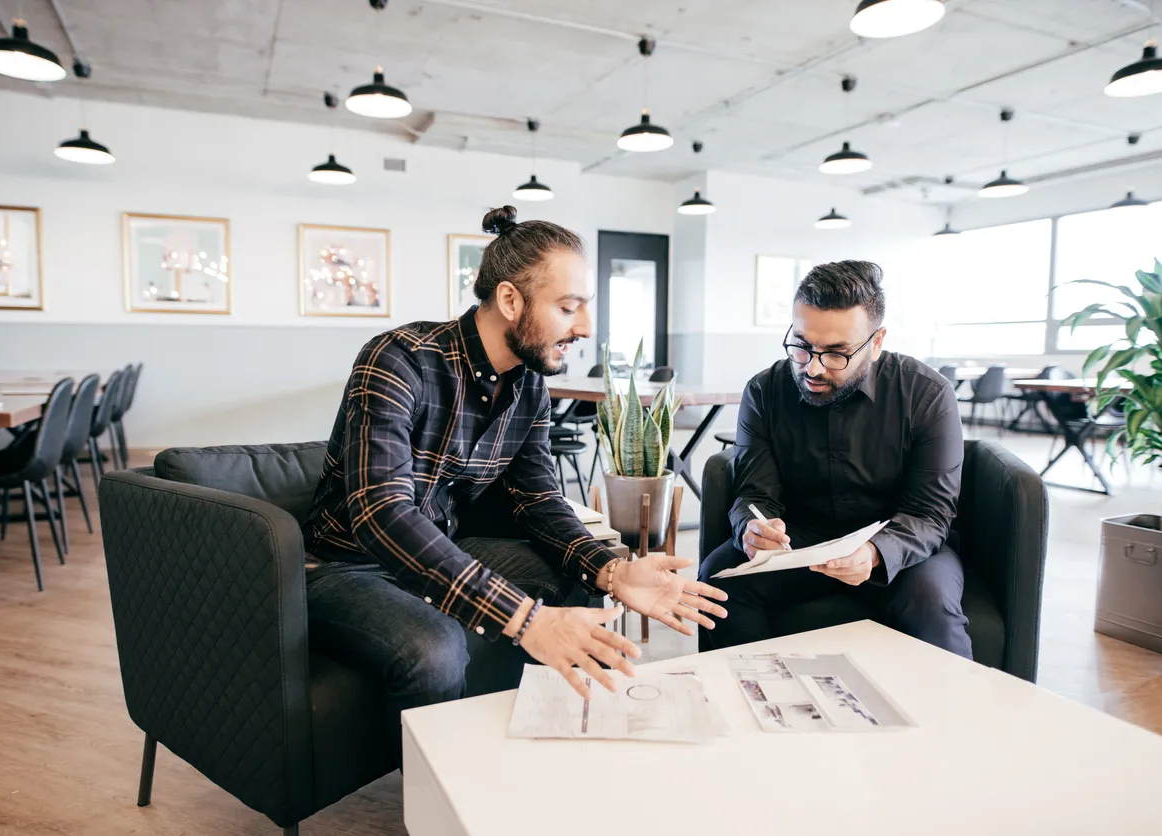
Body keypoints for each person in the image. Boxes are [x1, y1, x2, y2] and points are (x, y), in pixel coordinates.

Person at [302, 205, 728, 757]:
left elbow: (538, 498)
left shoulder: (528, 385)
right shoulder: (398, 360)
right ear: (510, 300)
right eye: (568, 307)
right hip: (344, 566)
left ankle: (541, 744)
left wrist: (612, 568)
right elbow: (382, 513)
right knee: (435, 651)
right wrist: (525, 620)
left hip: (443, 549)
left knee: (576, 579)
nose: (585, 327)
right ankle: (438, 794)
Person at [699, 260, 972, 658]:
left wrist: (876, 552)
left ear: (875, 342)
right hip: (800, 543)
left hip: (901, 543)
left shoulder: (927, 394)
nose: (812, 367)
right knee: (719, 581)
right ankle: (758, 694)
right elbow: (755, 494)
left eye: (836, 353)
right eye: (802, 345)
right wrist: (752, 528)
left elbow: (930, 513)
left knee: (930, 604)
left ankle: (953, 702)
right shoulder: (764, 391)